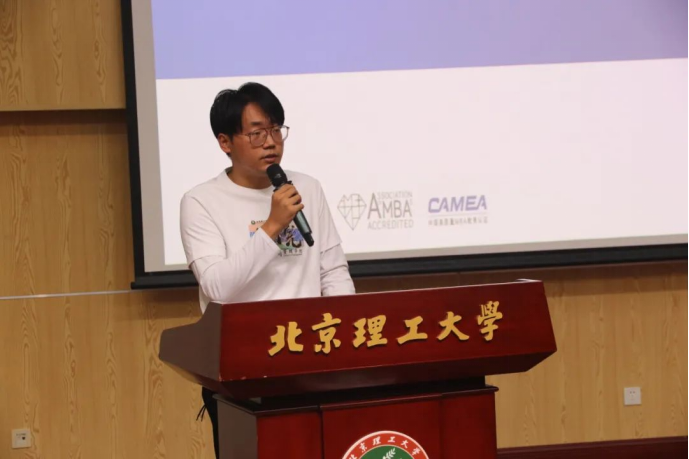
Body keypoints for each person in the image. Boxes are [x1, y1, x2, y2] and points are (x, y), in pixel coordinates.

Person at [179, 82, 355, 457]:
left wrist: (345, 343)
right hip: (242, 371)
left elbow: (333, 272)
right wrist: (272, 226)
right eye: (257, 133)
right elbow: (217, 287)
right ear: (225, 142)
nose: (271, 142)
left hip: (313, 359)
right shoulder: (201, 202)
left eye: (276, 129)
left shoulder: (306, 187)